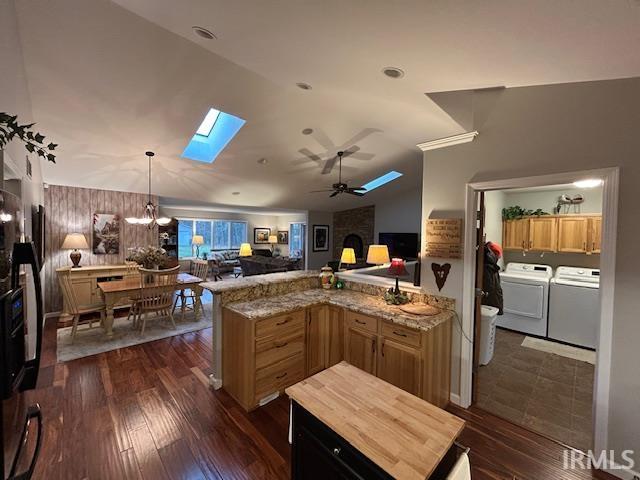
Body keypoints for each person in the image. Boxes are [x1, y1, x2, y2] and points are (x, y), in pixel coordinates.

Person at [482, 241, 503, 314]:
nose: (498, 259)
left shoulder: (491, 266)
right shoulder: (490, 267)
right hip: (489, 304)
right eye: (498, 257)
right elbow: (492, 289)